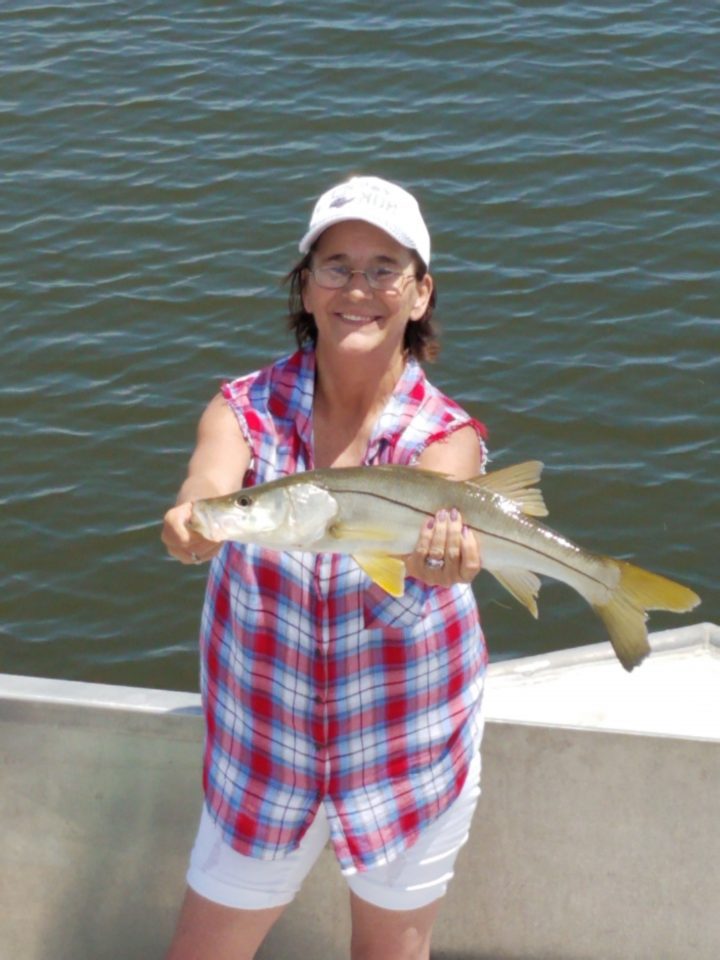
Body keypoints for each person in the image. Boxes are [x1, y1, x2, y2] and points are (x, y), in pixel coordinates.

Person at [161, 175, 489, 960]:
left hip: (406, 749)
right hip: (262, 753)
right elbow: (207, 492)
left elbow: (450, 496)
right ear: (305, 287)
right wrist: (192, 524)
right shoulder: (243, 409)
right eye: (336, 266)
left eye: (384, 269)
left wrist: (447, 561)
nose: (358, 289)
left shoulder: (448, 435)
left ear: (420, 294)